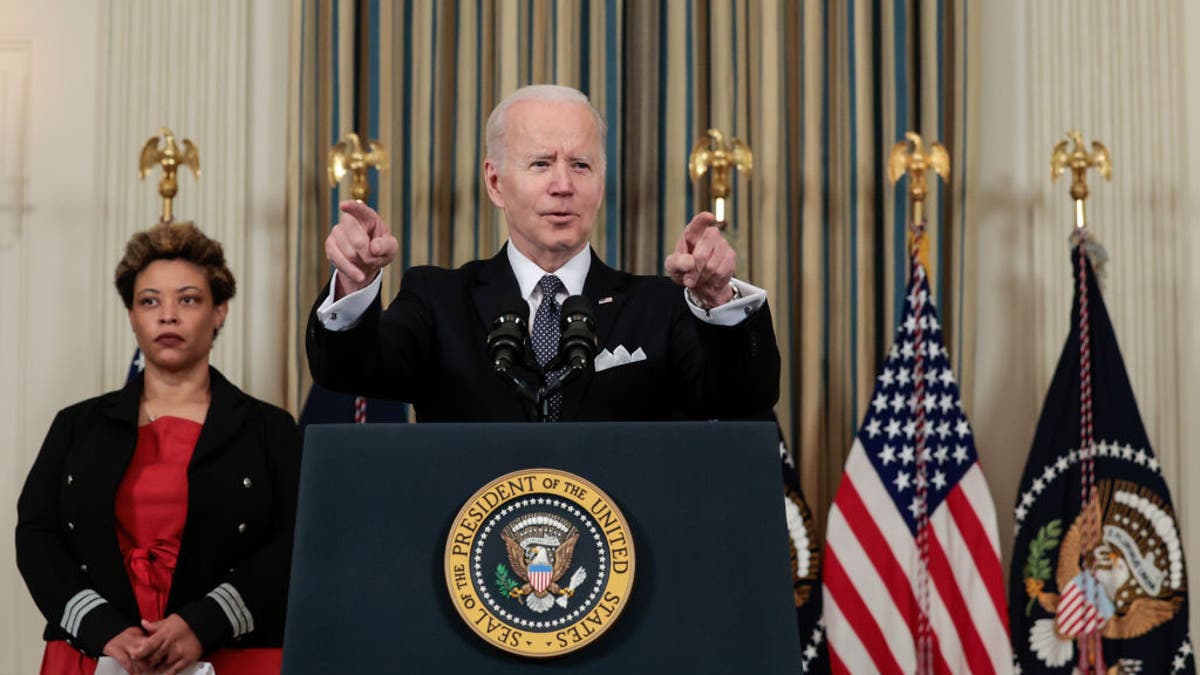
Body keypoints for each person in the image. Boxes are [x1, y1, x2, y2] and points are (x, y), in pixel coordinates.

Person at [307, 84, 779, 421]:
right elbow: (351, 373)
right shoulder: (438, 299)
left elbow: (742, 399)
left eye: (581, 164)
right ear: (496, 182)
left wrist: (717, 299)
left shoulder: (658, 306)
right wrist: (355, 284)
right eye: (540, 164)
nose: (562, 185)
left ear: (600, 182)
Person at [17, 223, 300, 675]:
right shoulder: (77, 425)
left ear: (220, 310)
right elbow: (36, 536)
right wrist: (102, 628)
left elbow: (294, 542)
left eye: (188, 299)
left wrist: (204, 623)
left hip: (236, 653)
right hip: (94, 653)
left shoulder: (269, 429)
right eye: (150, 301)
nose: (167, 315)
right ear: (132, 315)